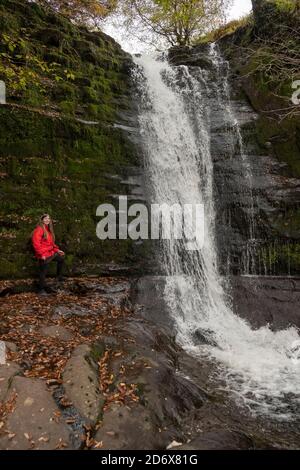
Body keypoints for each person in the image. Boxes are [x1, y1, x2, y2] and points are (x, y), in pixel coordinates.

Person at [31, 214, 65, 294]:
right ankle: (41, 289)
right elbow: (36, 244)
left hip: (50, 252)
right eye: (45, 218)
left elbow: (51, 244)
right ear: (42, 220)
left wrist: (57, 250)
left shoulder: (48, 230)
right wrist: (41, 254)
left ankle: (59, 277)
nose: (47, 220)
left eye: (48, 218)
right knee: (43, 272)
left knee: (61, 257)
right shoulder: (39, 229)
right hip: (43, 254)